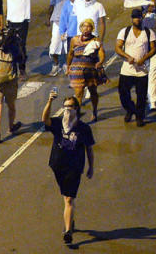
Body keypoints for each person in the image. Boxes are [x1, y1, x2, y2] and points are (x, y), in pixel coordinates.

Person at [42, 90, 95, 245]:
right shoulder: (59, 123)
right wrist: (50, 101)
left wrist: (91, 167)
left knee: (68, 198)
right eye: (65, 106)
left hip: (74, 167)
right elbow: (45, 119)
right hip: (58, 165)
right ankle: (70, 220)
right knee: (65, 195)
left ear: (77, 108)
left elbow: (89, 149)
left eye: (70, 107)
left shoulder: (84, 128)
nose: (67, 109)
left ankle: (67, 232)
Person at [114, 9, 156, 127]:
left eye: (139, 17)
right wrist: (127, 56)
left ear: (142, 18)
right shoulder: (124, 31)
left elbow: (154, 48)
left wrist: (144, 59)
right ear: (131, 19)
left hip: (142, 70)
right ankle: (130, 109)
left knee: (141, 96)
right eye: (135, 17)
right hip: (127, 70)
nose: (137, 19)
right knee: (123, 94)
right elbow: (118, 48)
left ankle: (139, 116)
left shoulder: (149, 32)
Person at [67, 18, 105, 122]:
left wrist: (100, 62)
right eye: (84, 26)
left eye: (88, 26)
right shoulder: (74, 40)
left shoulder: (96, 40)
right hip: (77, 71)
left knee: (93, 91)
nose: (86, 29)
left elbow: (101, 53)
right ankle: (77, 116)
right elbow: (70, 54)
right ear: (80, 28)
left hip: (91, 70)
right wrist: (68, 66)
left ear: (92, 28)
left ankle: (94, 111)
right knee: (79, 94)